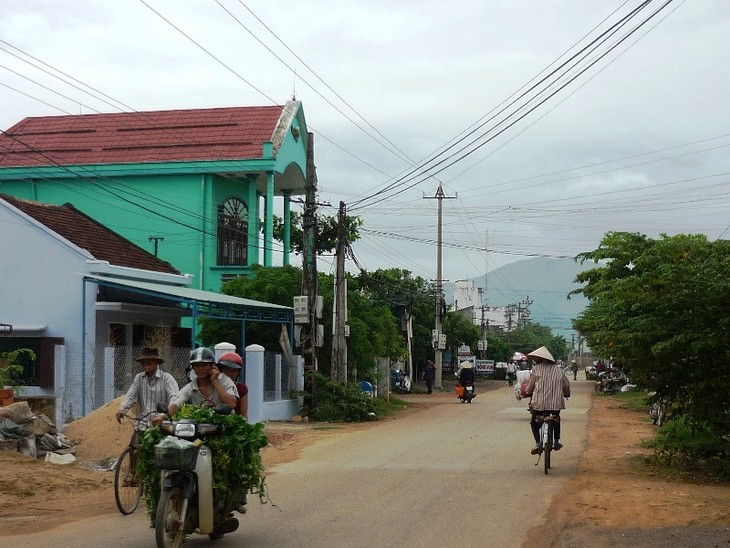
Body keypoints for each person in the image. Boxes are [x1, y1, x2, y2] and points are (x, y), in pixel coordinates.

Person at [116, 347, 179, 430]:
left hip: (162, 426)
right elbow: (130, 396)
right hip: (142, 425)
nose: (145, 364)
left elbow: (175, 398)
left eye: (149, 362)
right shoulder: (139, 378)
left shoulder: (167, 378)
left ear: (157, 362)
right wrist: (122, 410)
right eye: (143, 363)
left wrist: (164, 415)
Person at [526, 346, 570, 455]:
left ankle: (538, 444)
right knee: (556, 419)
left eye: (537, 359)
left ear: (541, 359)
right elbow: (566, 385)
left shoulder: (536, 369)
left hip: (539, 404)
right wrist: (566, 393)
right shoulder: (559, 370)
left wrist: (528, 391)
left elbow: (530, 388)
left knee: (533, 422)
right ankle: (556, 441)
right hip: (555, 404)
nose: (535, 360)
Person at [168, 347, 238, 414]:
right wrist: (164, 416)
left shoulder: (224, 380)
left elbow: (232, 404)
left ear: (213, 366)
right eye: (197, 365)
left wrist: (214, 381)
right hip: (200, 425)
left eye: (204, 365)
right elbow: (175, 404)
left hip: (225, 424)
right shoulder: (190, 387)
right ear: (193, 368)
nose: (200, 368)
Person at [218, 351, 249, 418]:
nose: (230, 373)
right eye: (227, 369)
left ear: (238, 372)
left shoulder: (241, 389)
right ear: (221, 370)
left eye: (234, 370)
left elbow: (243, 415)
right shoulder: (215, 385)